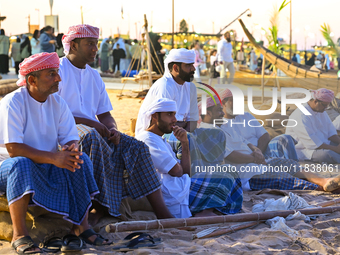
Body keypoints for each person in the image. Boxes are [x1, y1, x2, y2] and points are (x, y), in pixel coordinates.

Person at [58, 24, 173, 224]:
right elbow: (55, 114)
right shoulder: (57, 70)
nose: (95, 49)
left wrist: (112, 129)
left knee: (137, 147)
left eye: (96, 44)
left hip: (92, 130)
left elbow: (105, 114)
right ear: (74, 46)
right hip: (64, 133)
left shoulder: (94, 75)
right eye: (90, 44)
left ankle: (162, 212)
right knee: (91, 136)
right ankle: (97, 207)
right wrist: (91, 123)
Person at [0, 52, 111, 254]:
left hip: (46, 164)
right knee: (21, 164)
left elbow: (69, 137)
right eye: (51, 74)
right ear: (31, 79)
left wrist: (71, 148)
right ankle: (19, 234)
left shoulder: (58, 103)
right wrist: (54, 158)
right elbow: (13, 149)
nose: (58, 78)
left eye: (57, 73)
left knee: (80, 160)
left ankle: (81, 226)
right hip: (10, 168)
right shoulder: (13, 102)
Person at [199, 96, 340, 192]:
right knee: (281, 177)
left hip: (257, 160)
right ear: (208, 113)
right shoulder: (208, 132)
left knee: (288, 164)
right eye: (218, 110)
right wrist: (255, 159)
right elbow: (231, 156)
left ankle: (323, 180)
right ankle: (321, 188)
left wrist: (257, 151)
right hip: (248, 173)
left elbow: (246, 142)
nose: (221, 112)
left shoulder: (223, 125)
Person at [136, 98, 192, 218]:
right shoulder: (147, 139)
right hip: (168, 197)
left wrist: (185, 143)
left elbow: (185, 172)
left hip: (180, 191)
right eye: (169, 114)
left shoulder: (160, 139)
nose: (174, 120)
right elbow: (177, 171)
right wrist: (179, 169)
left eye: (174, 114)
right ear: (155, 116)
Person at [221, 88, 299, 161]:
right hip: (246, 158)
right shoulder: (220, 124)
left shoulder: (246, 115)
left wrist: (259, 152)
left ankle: (296, 168)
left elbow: (265, 135)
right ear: (224, 103)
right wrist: (253, 156)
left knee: (285, 139)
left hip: (263, 151)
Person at [135, 48, 199, 136]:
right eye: (188, 65)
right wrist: (183, 125)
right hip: (156, 136)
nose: (193, 69)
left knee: (215, 134)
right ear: (175, 68)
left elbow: (193, 121)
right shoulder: (165, 86)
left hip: (178, 133)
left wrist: (185, 134)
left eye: (192, 64)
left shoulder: (191, 87)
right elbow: (163, 125)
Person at [286, 88, 340, 165]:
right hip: (304, 150)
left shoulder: (320, 110)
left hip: (324, 144)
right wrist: (335, 149)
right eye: (325, 105)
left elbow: (330, 132)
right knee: (327, 154)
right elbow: (312, 143)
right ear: (315, 101)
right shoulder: (301, 115)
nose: (326, 108)